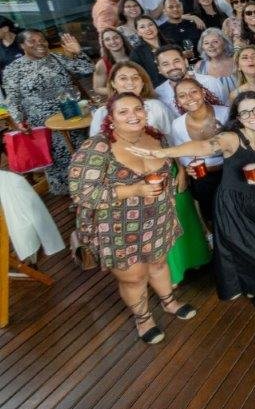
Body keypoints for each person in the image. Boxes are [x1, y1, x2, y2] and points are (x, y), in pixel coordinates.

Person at [131, 92, 255, 326]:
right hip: (233, 206)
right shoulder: (231, 138)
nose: (252, 116)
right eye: (245, 112)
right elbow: (204, 146)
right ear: (238, 118)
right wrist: (163, 152)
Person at [68, 93, 197, 344]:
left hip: (158, 218)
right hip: (117, 227)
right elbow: (82, 193)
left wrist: (182, 173)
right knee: (134, 276)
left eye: (138, 109)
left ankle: (169, 301)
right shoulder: (98, 147)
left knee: (158, 264)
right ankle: (143, 318)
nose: (133, 116)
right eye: (123, 111)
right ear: (111, 118)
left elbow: (169, 170)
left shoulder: (156, 136)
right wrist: (133, 190)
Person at [2, 29, 93, 195]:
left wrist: (78, 53)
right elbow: (12, 99)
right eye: (32, 41)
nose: (40, 44)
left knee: (84, 153)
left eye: (42, 40)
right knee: (60, 160)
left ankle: (91, 187)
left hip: (72, 117)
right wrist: (19, 121)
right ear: (22, 46)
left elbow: (87, 69)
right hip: (43, 124)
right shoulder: (13, 69)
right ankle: (71, 194)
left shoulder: (57, 58)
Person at [168, 77, 228, 229]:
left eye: (193, 92)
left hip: (229, 171)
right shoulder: (177, 125)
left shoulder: (226, 114)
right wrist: (185, 170)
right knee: (205, 198)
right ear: (178, 101)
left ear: (203, 92)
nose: (189, 98)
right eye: (182, 95)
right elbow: (183, 156)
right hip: (203, 179)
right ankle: (213, 233)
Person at [89, 61, 174, 138]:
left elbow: (173, 138)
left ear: (142, 83)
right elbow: (96, 144)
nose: (130, 82)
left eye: (135, 78)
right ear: (113, 83)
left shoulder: (156, 107)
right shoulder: (102, 113)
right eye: (123, 78)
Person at [153, 45, 228, 117]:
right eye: (165, 64)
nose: (173, 67)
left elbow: (225, 109)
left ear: (186, 62)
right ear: (159, 69)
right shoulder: (158, 94)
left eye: (176, 61)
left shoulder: (211, 82)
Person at [194, 28, 237, 98]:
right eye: (206, 43)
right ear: (203, 47)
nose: (210, 46)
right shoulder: (199, 66)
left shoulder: (236, 62)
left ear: (224, 44)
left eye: (215, 42)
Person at [92, 28, 131, 100]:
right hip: (120, 99)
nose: (112, 42)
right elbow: (98, 88)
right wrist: (120, 91)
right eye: (107, 39)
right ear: (104, 43)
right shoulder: (102, 64)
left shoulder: (136, 55)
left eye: (116, 37)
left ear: (122, 38)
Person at [129, 16, 167, 84]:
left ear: (156, 27)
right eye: (142, 27)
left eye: (150, 24)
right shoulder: (136, 53)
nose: (148, 29)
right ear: (138, 32)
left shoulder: (170, 44)